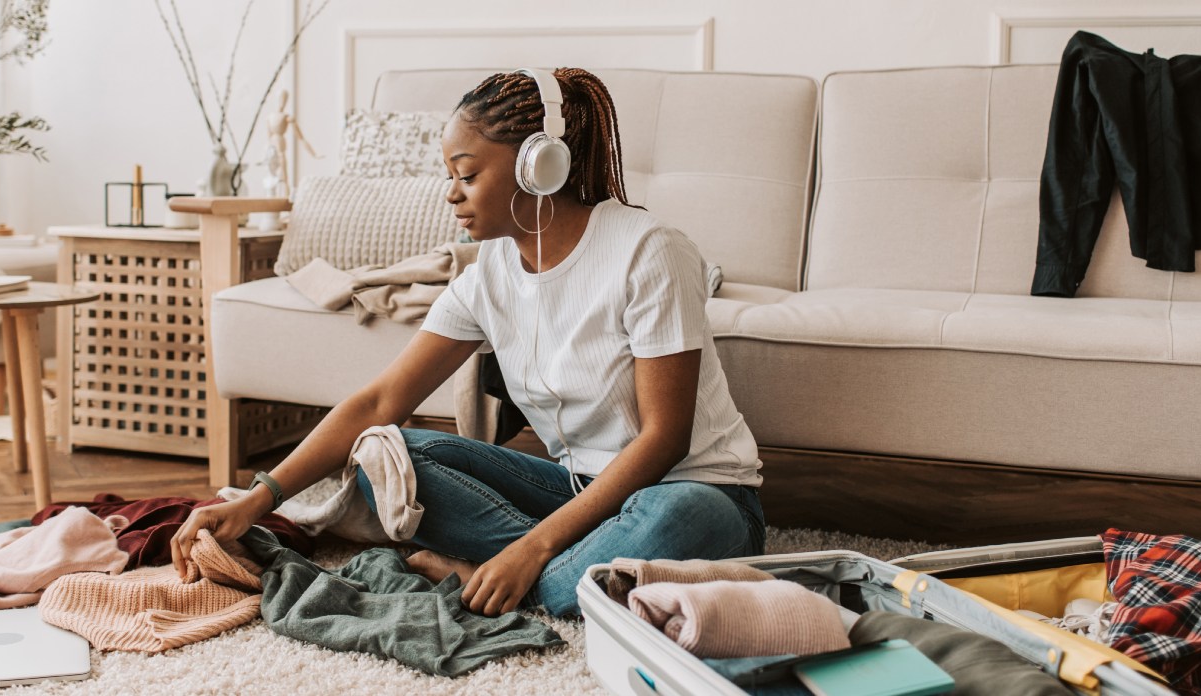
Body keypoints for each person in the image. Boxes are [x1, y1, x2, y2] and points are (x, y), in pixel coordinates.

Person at [170, 67, 765, 618]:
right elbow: (379, 404)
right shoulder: (487, 275)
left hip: (697, 493)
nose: (451, 193)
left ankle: (518, 575)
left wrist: (531, 549)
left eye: (468, 173)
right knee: (391, 457)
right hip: (576, 495)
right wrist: (261, 497)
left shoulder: (648, 251)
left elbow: (665, 439)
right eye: (450, 176)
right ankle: (570, 571)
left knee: (679, 516)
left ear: (539, 165)